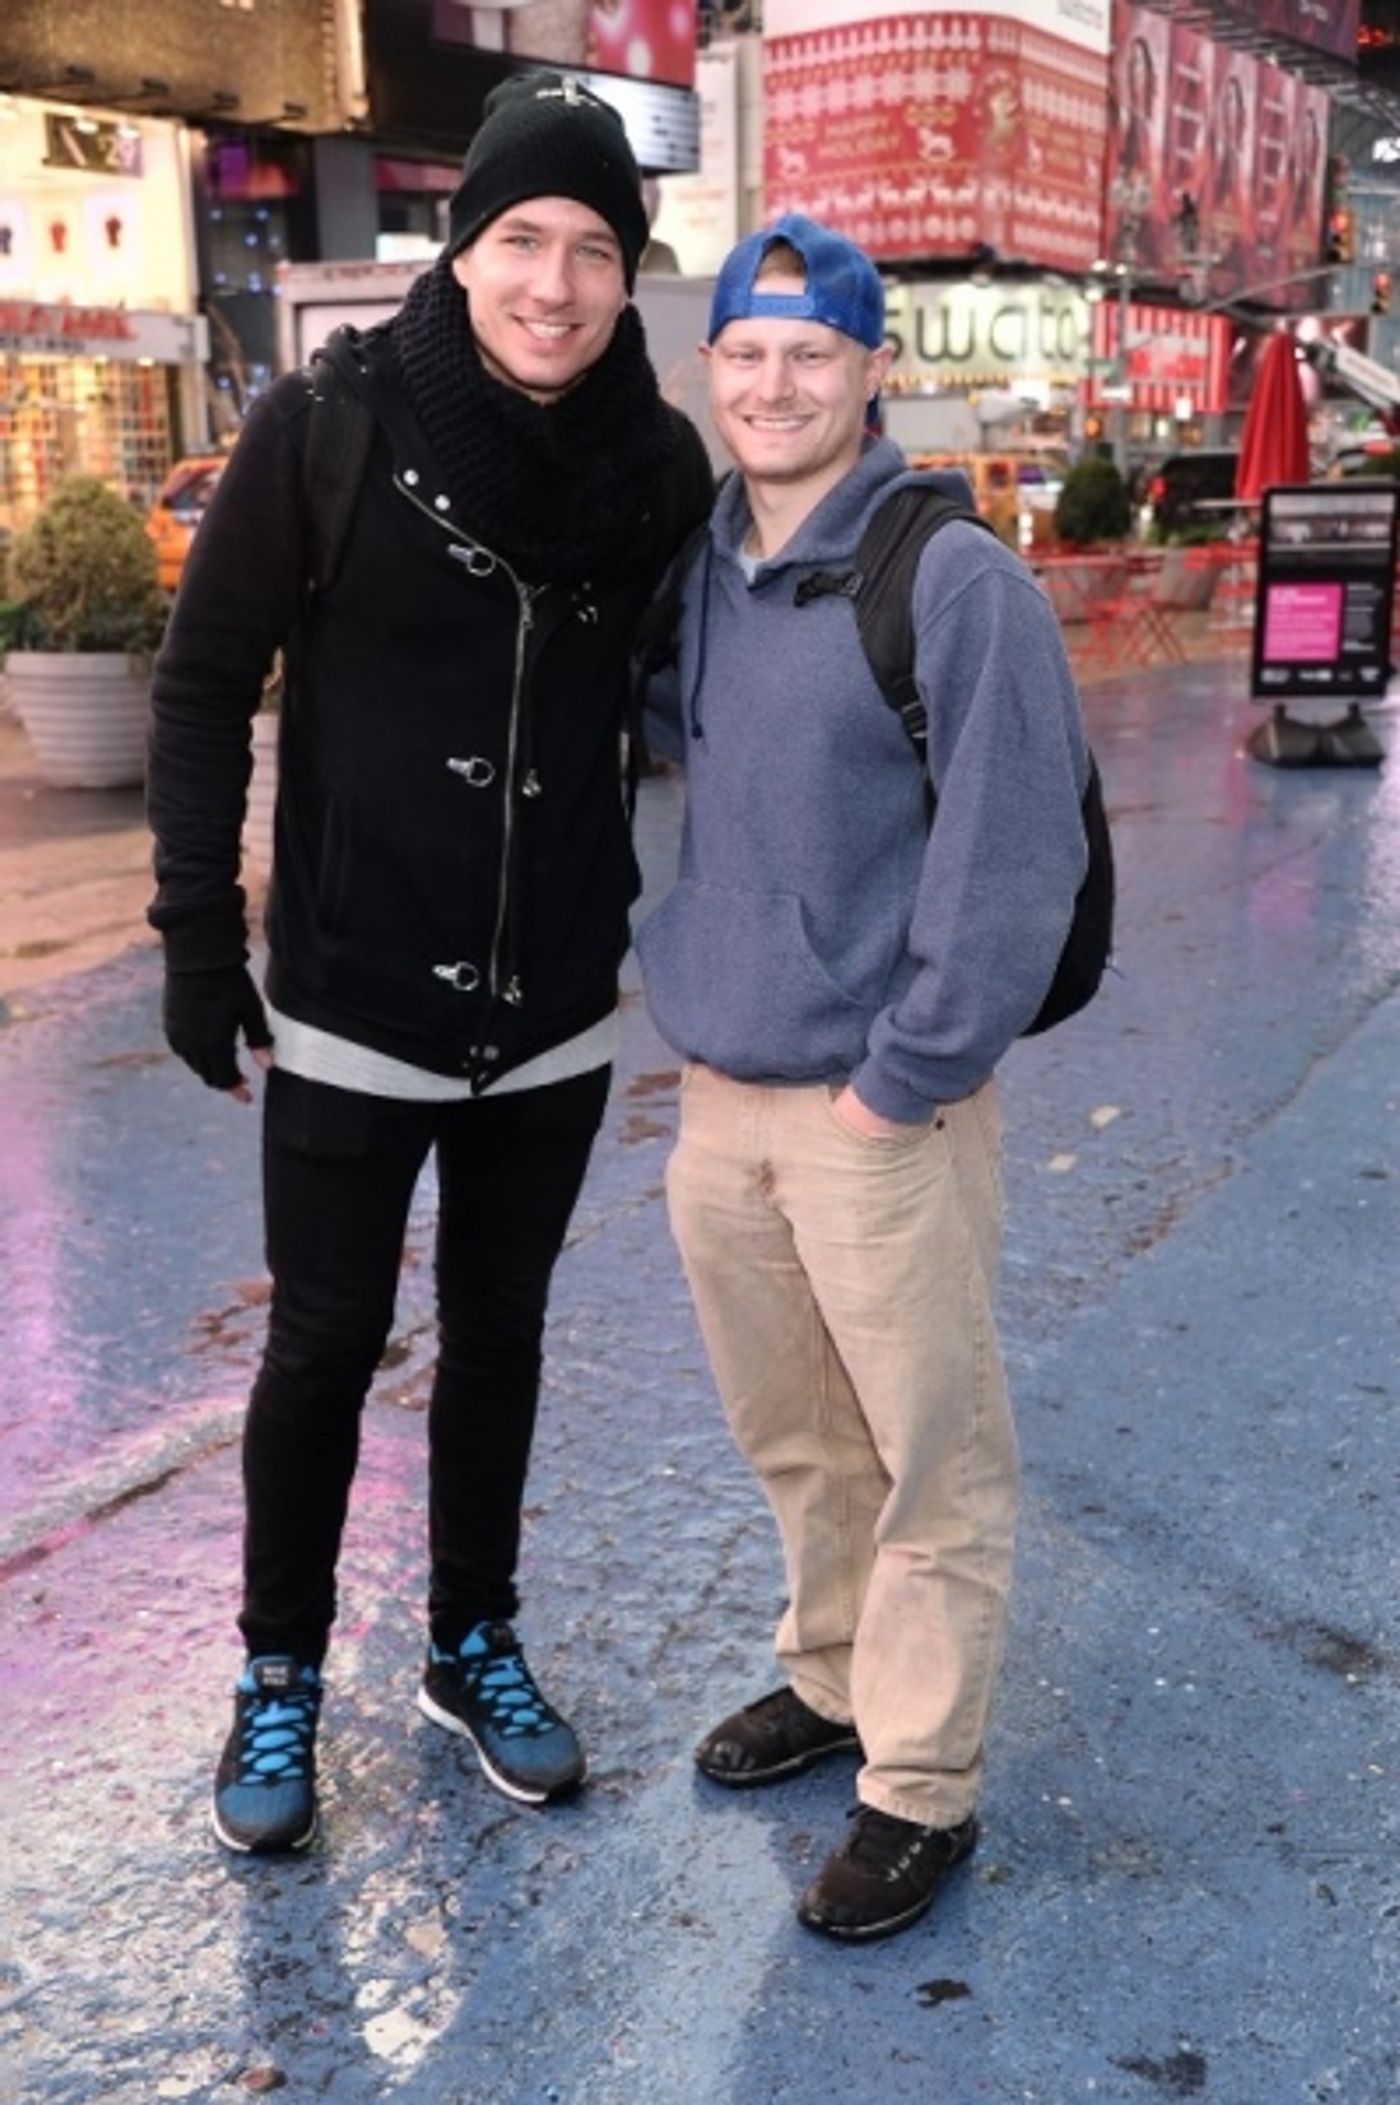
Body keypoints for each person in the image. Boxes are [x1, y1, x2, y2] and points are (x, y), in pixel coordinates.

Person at [147, 70, 712, 1855]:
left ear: (631, 275)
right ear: (463, 246)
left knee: (504, 1336)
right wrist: (189, 925)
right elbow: (200, 679)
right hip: (353, 992)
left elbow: (723, 701)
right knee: (321, 1342)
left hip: (549, 1006)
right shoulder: (328, 422)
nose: (556, 282)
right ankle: (280, 1670)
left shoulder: (659, 467)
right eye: (523, 238)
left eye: (595, 249)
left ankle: (472, 1638)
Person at [634, 215, 1091, 1942]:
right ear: (710, 375)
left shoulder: (949, 577)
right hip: (719, 1096)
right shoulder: (704, 566)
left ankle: (919, 1782)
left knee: (930, 1451)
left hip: (877, 1109)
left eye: (808, 353)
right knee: (798, 1440)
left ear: (870, 369)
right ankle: (830, 1675)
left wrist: (904, 1079)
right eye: (744, 355)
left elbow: (1011, 854)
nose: (772, 382)